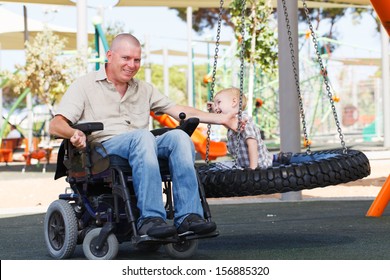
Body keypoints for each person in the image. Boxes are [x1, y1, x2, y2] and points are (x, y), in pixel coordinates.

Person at [49, 33, 241, 239]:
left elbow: (179, 110)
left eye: (137, 60)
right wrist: (73, 133)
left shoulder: (144, 89)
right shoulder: (85, 85)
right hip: (103, 149)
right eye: (126, 58)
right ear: (110, 55)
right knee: (143, 137)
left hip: (142, 144)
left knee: (179, 137)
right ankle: (150, 219)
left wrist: (222, 119)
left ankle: (188, 217)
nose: (132, 65)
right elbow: (55, 125)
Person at [209, 87, 291, 170]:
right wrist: (213, 110)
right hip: (243, 164)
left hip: (257, 164)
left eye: (218, 103)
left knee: (222, 167)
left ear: (234, 102)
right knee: (219, 165)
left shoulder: (244, 122)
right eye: (215, 105)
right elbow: (221, 120)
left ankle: (274, 157)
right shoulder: (232, 124)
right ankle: (274, 157)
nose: (216, 108)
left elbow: (252, 144)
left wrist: (253, 169)